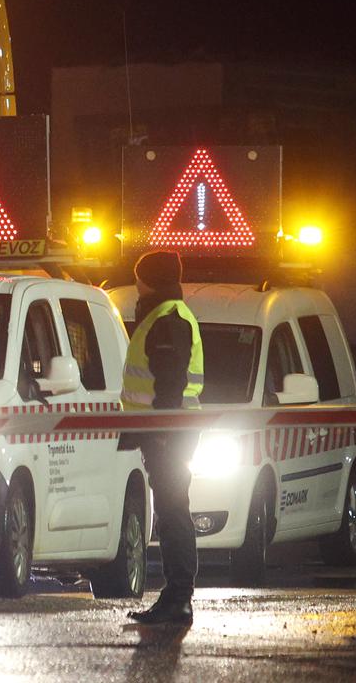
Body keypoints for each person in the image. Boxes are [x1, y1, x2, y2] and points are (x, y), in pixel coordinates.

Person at [120, 250, 206, 627]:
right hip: (164, 430)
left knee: (173, 512)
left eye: (140, 276)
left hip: (169, 432)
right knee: (172, 511)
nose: (136, 281)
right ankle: (175, 596)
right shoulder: (165, 313)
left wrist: (163, 433)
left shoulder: (168, 317)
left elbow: (170, 383)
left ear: (150, 279)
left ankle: (178, 598)